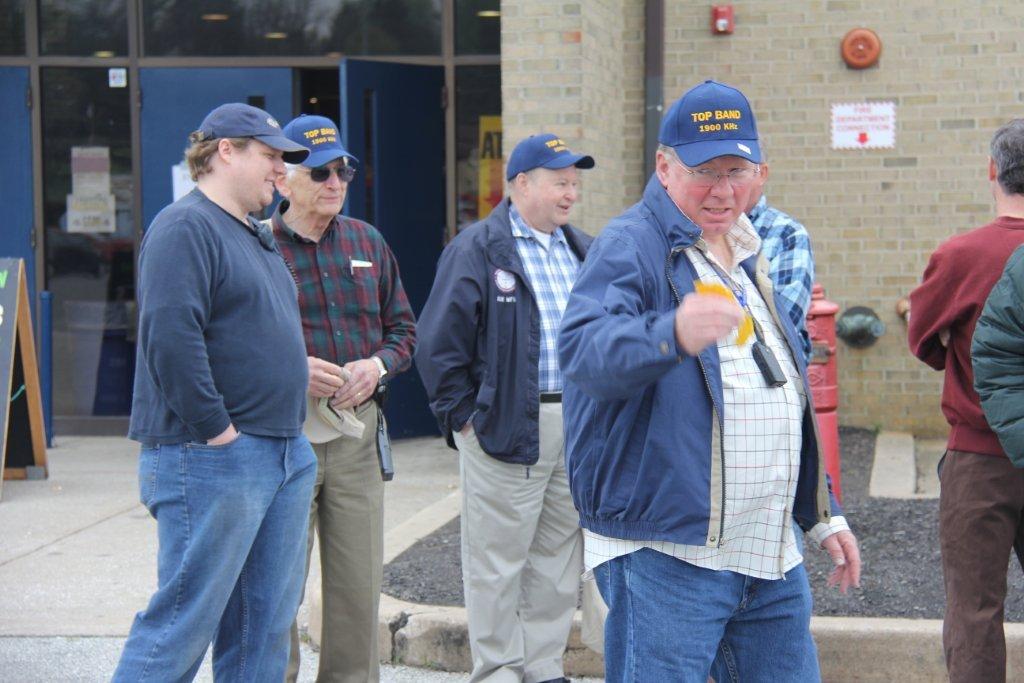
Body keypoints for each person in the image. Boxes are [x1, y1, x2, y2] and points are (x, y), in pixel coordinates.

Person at [558, 80, 860, 682]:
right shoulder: (630, 244)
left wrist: (821, 510)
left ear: (759, 171)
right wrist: (669, 332)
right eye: (704, 172)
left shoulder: (745, 251)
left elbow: (779, 389)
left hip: (768, 552)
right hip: (668, 555)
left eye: (736, 171)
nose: (723, 190)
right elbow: (584, 353)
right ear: (664, 167)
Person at [113, 103, 316, 681]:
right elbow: (170, 338)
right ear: (226, 151)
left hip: (283, 450)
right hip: (211, 455)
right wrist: (218, 433)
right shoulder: (185, 227)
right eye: (271, 156)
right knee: (182, 624)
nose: (281, 171)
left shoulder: (252, 234)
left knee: (264, 628)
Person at [416, 133, 595, 683]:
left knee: (557, 559)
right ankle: (497, 670)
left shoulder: (582, 248)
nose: (570, 194)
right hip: (504, 425)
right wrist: (464, 419)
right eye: (559, 182)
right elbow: (437, 345)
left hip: (575, 425)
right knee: (496, 562)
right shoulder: (478, 248)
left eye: (574, 183)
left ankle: (543, 667)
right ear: (521, 184)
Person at [269, 114, 417, 683]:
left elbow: (403, 331)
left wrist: (376, 366)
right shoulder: (258, 246)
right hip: (284, 433)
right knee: (277, 581)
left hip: (356, 431)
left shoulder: (366, 241)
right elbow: (232, 345)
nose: (335, 182)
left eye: (344, 171)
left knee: (358, 583)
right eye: (320, 172)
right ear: (283, 178)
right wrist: (289, 369)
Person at [910, 118, 1024, 683]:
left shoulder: (961, 255)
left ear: (992, 170)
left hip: (980, 457)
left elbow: (923, 340)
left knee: (975, 611)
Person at [746, 159, 815, 361]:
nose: (725, 183)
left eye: (736, 170)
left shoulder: (787, 234)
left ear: (762, 173)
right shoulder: (700, 231)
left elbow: (782, 325)